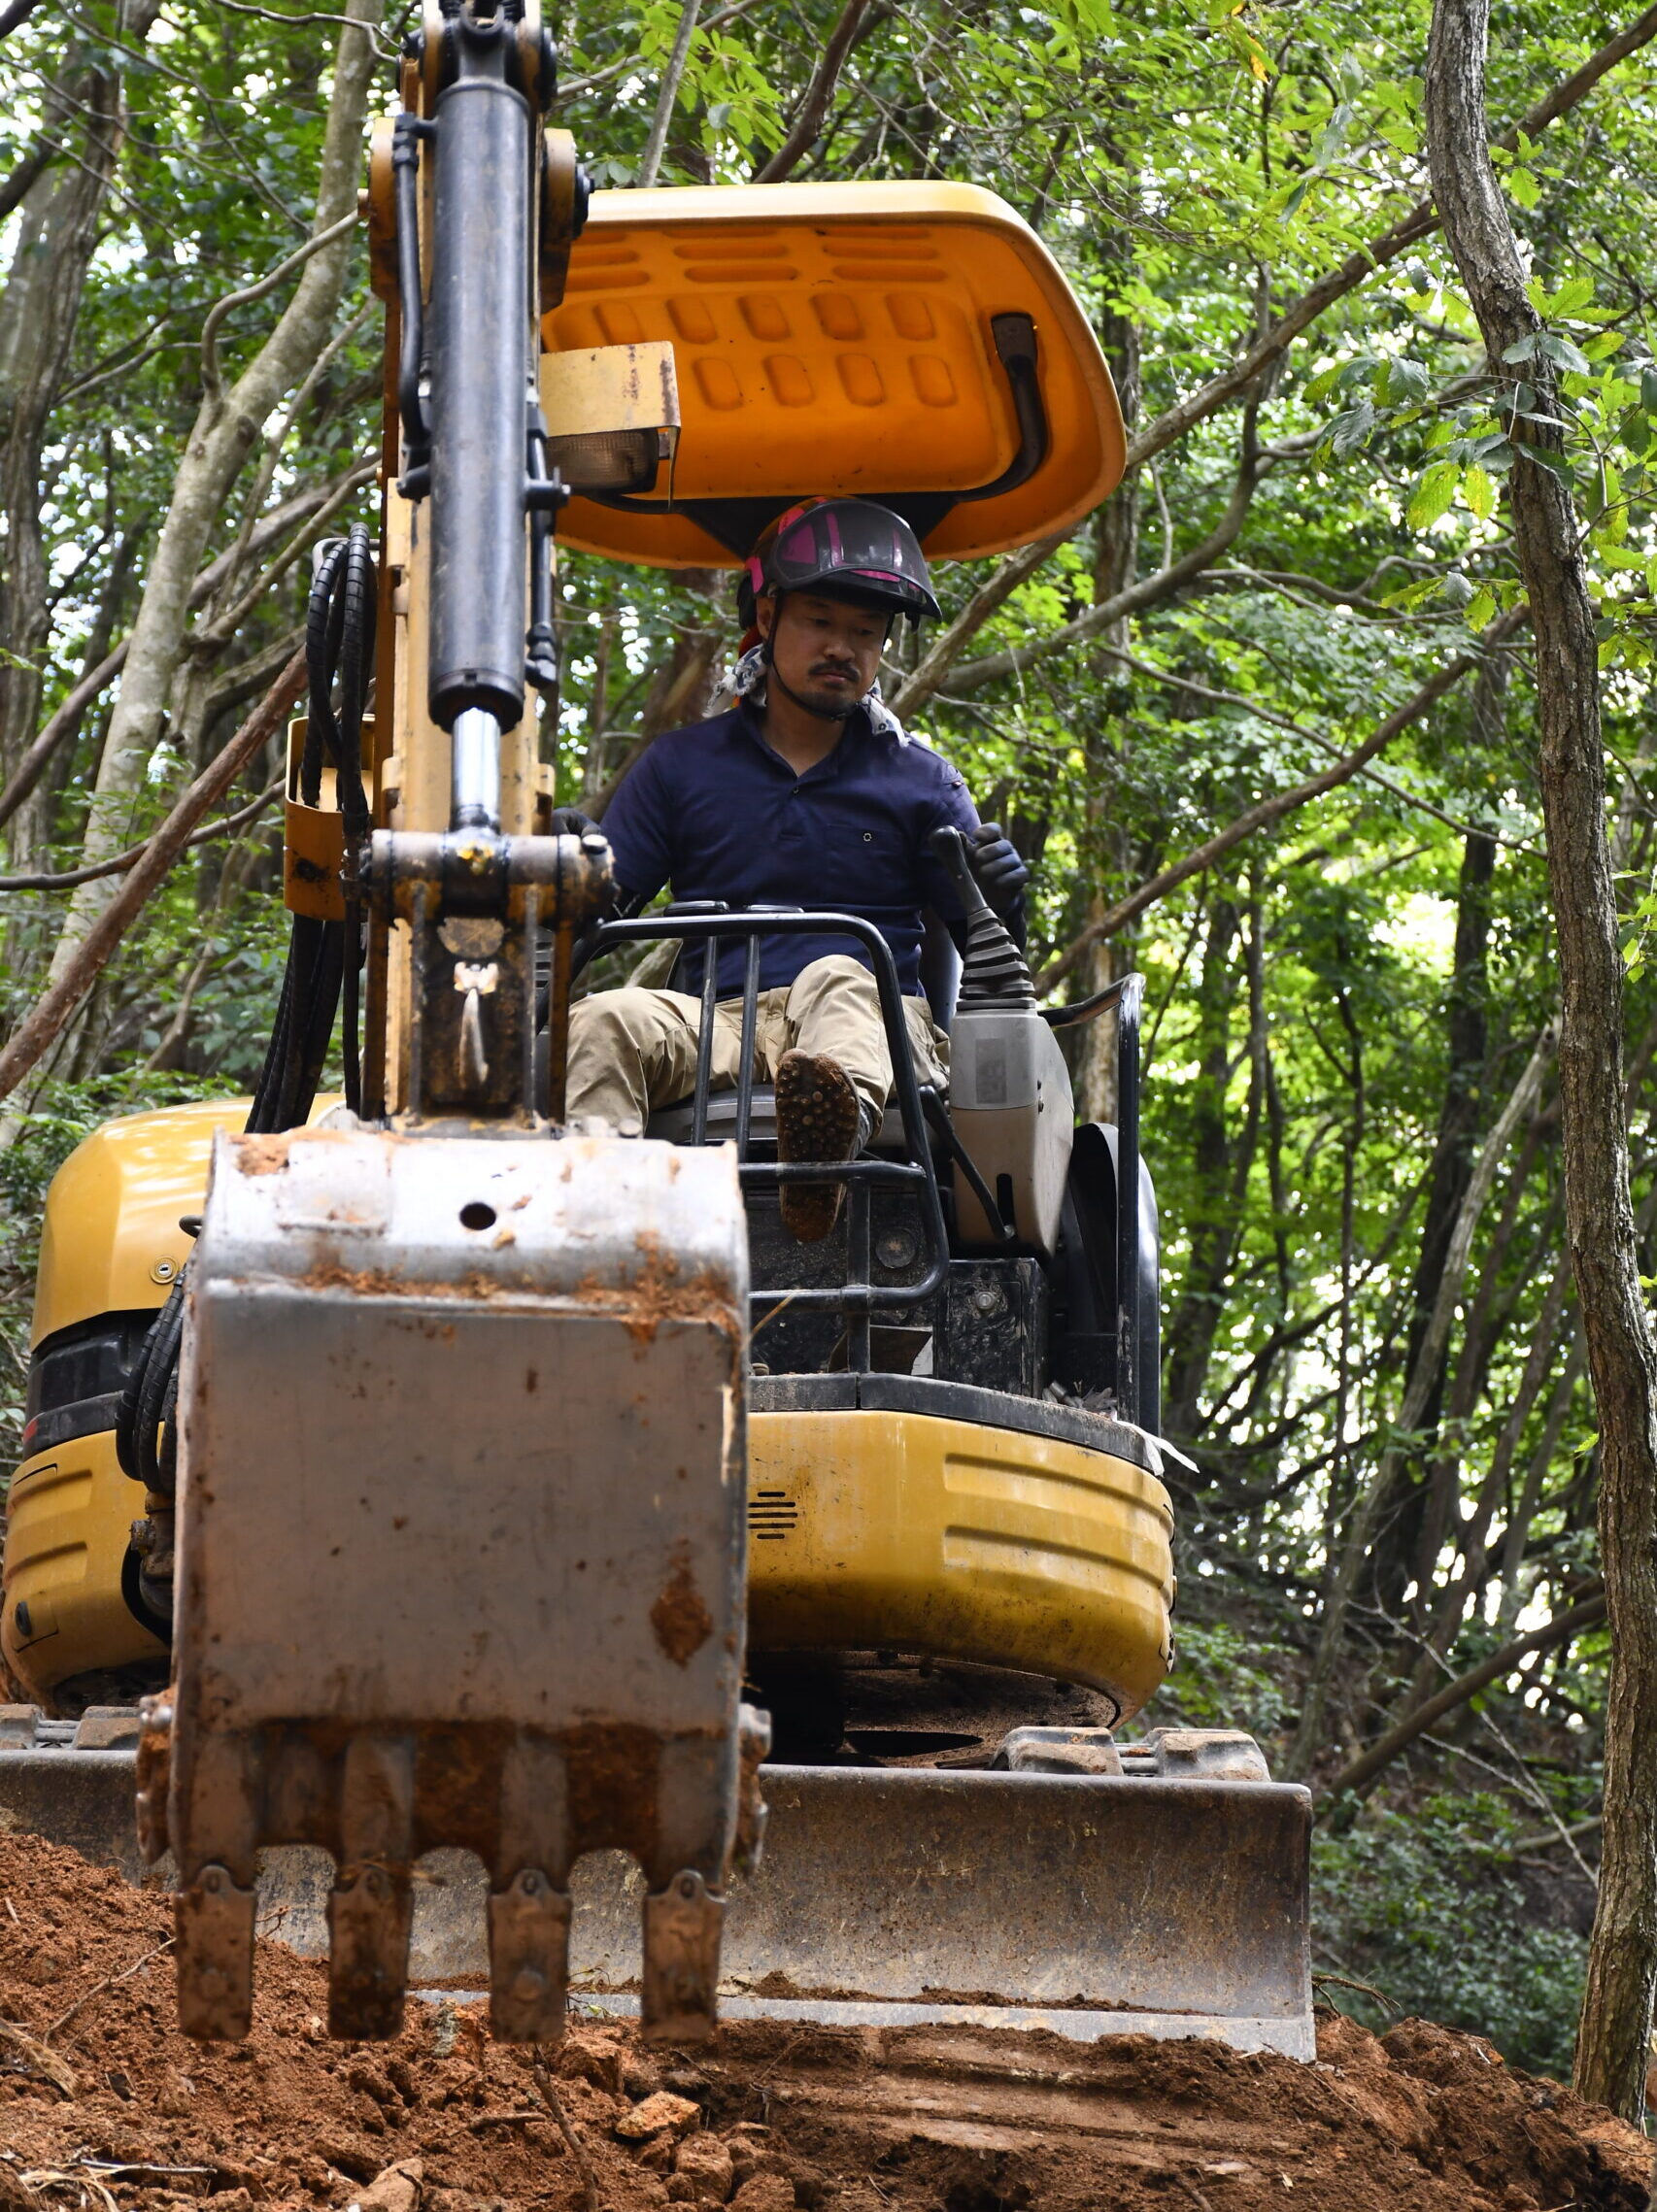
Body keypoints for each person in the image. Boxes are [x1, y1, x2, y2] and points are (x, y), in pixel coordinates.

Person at [561, 497, 1029, 1241]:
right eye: (821, 621)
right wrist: (572, 869)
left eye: (865, 632)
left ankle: (820, 1176)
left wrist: (1002, 900)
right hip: (716, 1017)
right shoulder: (681, 767)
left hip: (871, 1021)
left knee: (840, 972)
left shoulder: (923, 782)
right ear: (769, 617)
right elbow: (599, 911)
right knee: (604, 1018)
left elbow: (994, 956)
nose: (843, 647)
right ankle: (600, 1240)